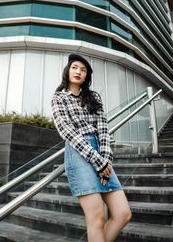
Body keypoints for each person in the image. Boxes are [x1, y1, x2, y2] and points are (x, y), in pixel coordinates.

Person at [51, 53, 131, 242]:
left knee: (123, 213)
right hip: (79, 152)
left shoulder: (93, 97)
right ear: (67, 70)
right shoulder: (59, 98)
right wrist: (98, 162)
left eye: (83, 69)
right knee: (97, 217)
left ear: (87, 76)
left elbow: (103, 129)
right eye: (75, 67)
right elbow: (67, 132)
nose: (78, 71)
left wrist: (106, 161)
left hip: (101, 152)